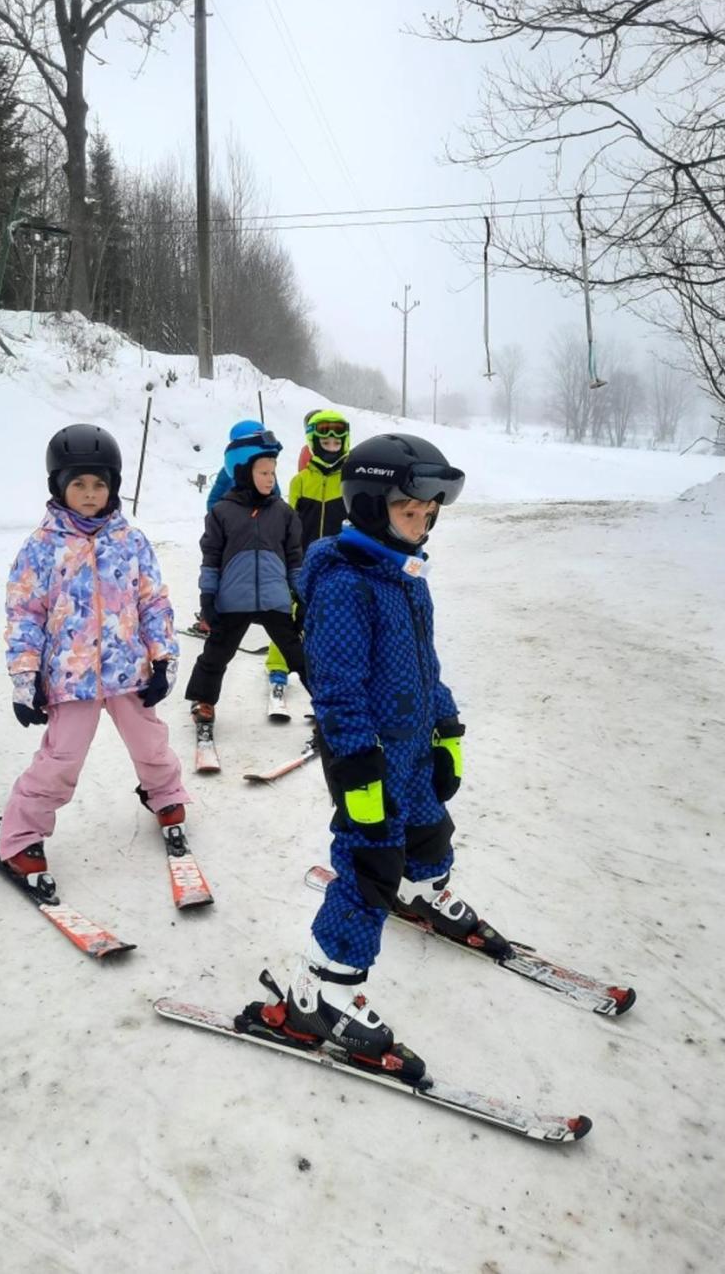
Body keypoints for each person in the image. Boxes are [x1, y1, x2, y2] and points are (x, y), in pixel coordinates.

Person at [249, 433, 509, 1081]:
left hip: (413, 746)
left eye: (427, 515)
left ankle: (423, 892)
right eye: (407, 513)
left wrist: (445, 726)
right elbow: (335, 689)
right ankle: (319, 990)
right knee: (368, 865)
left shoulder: (405, 573)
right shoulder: (343, 585)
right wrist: (358, 773)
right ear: (368, 508)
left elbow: (425, 663)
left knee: (428, 830)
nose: (420, 527)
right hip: (367, 755)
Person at [0, 423, 190, 897]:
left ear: (114, 487)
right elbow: (23, 614)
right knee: (60, 759)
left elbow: (154, 603)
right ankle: (21, 832)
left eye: (99, 484)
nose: (89, 493)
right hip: (70, 679)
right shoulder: (41, 547)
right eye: (78, 483)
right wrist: (26, 679)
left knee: (151, 745)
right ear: (59, 487)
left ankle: (165, 796)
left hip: (129, 672)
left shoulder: (131, 541)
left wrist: (162, 658)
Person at [184, 427, 307, 731]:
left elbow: (295, 560)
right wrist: (207, 598)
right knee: (216, 654)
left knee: (301, 655)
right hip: (232, 601)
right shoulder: (222, 513)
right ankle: (203, 700)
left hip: (275, 599)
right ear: (241, 471)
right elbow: (211, 559)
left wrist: (303, 596)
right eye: (263, 472)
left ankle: (332, 705)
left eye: (273, 472)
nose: (271, 478)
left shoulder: (283, 513)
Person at [266, 408, 350, 701]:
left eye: (336, 441)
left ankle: (330, 667)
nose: (331, 445)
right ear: (314, 443)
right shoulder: (300, 480)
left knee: (336, 614)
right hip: (303, 559)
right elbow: (290, 521)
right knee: (288, 611)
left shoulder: (349, 479)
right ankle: (278, 668)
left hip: (339, 560)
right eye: (325, 441)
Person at [193, 420, 281, 636]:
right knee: (221, 574)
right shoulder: (228, 471)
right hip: (229, 531)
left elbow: (275, 497)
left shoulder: (265, 471)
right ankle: (209, 619)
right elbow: (213, 499)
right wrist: (222, 518)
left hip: (256, 529)